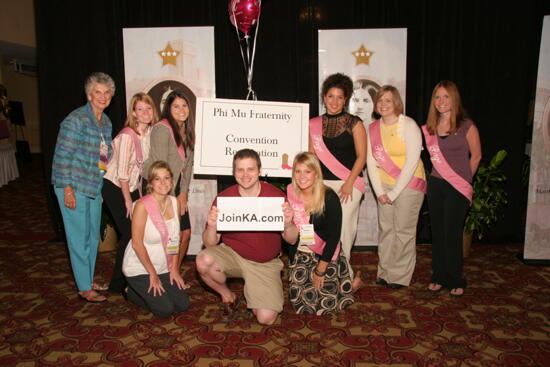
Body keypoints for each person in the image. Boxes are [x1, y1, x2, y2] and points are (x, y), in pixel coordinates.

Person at [195, 149, 298, 325]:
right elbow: (209, 243)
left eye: (250, 169)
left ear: (259, 170)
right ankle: (228, 296)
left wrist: (288, 223)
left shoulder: (276, 197)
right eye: (240, 170)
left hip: (264, 261)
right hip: (233, 254)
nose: (245, 175)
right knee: (203, 261)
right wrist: (212, 227)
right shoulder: (223, 199)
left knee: (266, 318)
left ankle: (256, 292)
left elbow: (292, 240)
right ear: (233, 172)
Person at [51, 72, 115, 303]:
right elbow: (62, 157)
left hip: (93, 186)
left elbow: (104, 157)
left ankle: (86, 280)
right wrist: (67, 189)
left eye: (107, 92)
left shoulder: (105, 122)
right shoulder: (76, 119)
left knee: (90, 235)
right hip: (73, 184)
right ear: (89, 95)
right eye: (98, 92)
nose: (103, 96)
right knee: (78, 238)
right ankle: (83, 287)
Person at [422, 81, 481, 298]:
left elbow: (476, 156)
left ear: (454, 99)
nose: (441, 101)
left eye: (446, 97)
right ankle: (438, 276)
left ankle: (456, 278)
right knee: (437, 233)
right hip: (436, 185)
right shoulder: (429, 128)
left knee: (452, 234)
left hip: (458, 187)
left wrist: (464, 180)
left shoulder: (467, 126)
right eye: (437, 97)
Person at [310, 73, 367, 290]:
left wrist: (349, 182)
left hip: (348, 184)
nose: (334, 101)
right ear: (324, 97)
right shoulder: (314, 124)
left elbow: (362, 156)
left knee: (343, 230)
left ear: (346, 99)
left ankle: (345, 276)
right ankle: (324, 274)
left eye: (339, 97)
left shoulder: (355, 123)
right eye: (330, 96)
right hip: (322, 185)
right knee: (322, 231)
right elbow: (311, 156)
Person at [366, 85, 426, 289]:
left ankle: (399, 276)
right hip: (384, 186)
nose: (383, 104)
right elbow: (370, 162)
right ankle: (385, 272)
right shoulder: (372, 128)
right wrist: (381, 192)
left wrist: (394, 192)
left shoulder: (408, 125)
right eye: (380, 100)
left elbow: (412, 161)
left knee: (403, 231)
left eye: (388, 100)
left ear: (396, 103)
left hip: (409, 185)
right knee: (387, 231)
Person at [286, 152, 354, 315]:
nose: (302, 176)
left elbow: (334, 237)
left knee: (325, 307)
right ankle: (347, 284)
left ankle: (349, 284)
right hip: (301, 252)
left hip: (325, 253)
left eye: (307, 171)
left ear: (316, 174)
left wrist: (321, 269)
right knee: (301, 305)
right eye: (298, 171)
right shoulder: (290, 192)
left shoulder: (329, 197)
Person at [102, 92, 157, 293]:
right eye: (140, 109)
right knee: (129, 235)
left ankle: (130, 279)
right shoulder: (127, 135)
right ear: (133, 113)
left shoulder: (150, 133)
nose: (145, 112)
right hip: (116, 187)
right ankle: (118, 284)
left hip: (133, 187)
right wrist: (127, 201)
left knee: (137, 234)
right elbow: (122, 173)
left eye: (148, 108)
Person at [122, 160, 190, 317]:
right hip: (140, 267)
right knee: (165, 310)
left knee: (182, 304)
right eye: (157, 179)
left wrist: (174, 269)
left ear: (172, 180)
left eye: (167, 178)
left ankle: (150, 289)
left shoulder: (174, 202)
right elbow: (137, 244)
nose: (163, 182)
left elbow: (174, 238)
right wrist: (152, 274)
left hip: (164, 266)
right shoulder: (141, 206)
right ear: (151, 183)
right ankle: (131, 291)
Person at [142, 90, 195, 275]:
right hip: (160, 188)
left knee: (185, 233)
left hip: (177, 186)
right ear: (168, 109)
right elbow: (159, 168)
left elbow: (188, 167)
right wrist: (169, 198)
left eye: (184, 105)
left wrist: (183, 194)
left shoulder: (187, 131)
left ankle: (174, 272)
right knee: (167, 234)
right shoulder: (162, 129)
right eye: (176, 106)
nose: (181, 110)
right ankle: (160, 273)